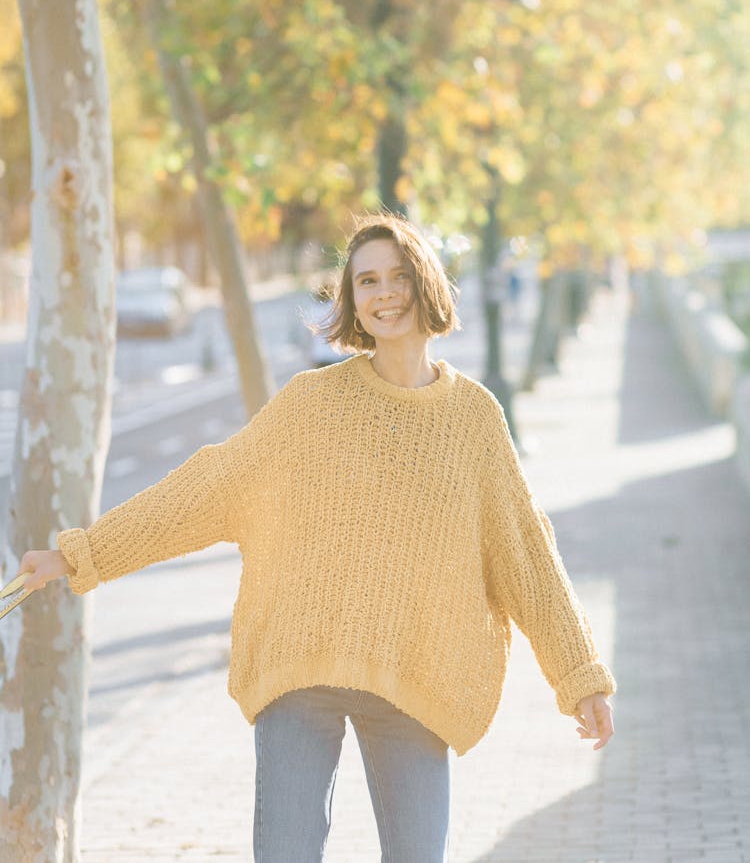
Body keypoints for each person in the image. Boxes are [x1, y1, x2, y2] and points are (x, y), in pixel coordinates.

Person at [20, 212, 615, 863]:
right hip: (300, 668)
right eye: (366, 281)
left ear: (426, 282)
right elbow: (203, 488)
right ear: (352, 298)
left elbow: (526, 552)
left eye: (397, 276)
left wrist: (580, 676)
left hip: (412, 672)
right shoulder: (311, 404)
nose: (384, 293)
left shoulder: (473, 417)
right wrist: (80, 554)